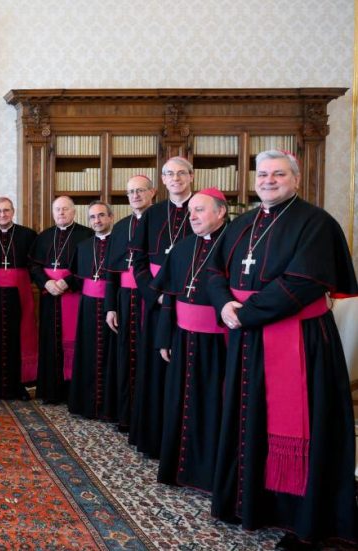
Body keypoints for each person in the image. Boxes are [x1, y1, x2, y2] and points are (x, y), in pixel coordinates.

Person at [207, 150, 358, 546]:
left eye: (278, 174)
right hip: (247, 337)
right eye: (262, 174)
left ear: (295, 178)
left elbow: (303, 283)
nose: (268, 180)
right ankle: (246, 502)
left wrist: (245, 314)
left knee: (301, 426)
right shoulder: (242, 224)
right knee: (247, 417)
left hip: (297, 341)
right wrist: (224, 304)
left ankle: (299, 517)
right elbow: (211, 271)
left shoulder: (316, 223)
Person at [150, 188, 229, 492]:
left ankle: (210, 474)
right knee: (180, 402)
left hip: (219, 343)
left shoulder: (233, 245)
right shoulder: (183, 248)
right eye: (191, 211)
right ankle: (179, 470)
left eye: (200, 210)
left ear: (221, 212)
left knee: (214, 404)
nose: (192, 217)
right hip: (183, 338)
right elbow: (169, 297)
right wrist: (164, 337)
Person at [128, 156, 195, 458]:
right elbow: (138, 260)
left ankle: (184, 442)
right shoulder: (152, 214)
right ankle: (154, 439)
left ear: (191, 177)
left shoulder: (203, 209)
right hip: (155, 302)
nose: (176, 178)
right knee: (154, 368)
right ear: (163, 181)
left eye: (181, 173)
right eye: (169, 174)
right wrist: (152, 294)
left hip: (190, 302)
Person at [104, 175, 155, 431]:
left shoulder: (161, 222)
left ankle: (146, 420)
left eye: (140, 190)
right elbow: (111, 272)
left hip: (151, 300)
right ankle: (125, 416)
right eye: (131, 191)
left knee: (149, 357)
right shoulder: (122, 227)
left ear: (152, 192)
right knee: (125, 356)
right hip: (125, 299)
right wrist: (110, 306)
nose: (135, 195)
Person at [29, 196, 92, 404]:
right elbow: (34, 266)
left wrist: (67, 282)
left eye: (65, 209)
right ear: (52, 212)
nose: (61, 213)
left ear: (74, 212)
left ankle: (72, 390)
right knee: (49, 340)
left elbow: (90, 267)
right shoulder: (44, 236)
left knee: (73, 341)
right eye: (57, 210)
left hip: (73, 296)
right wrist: (46, 283)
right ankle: (50, 392)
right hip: (49, 296)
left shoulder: (86, 235)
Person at [0, 197, 39, 400]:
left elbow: (34, 265)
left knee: (19, 337)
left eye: (6, 210)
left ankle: (18, 385)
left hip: (19, 292)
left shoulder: (28, 235)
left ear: (13, 211)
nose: (2, 215)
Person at [67, 201, 115, 419]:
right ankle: (86, 404)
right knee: (87, 352)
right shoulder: (84, 246)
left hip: (111, 305)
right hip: (87, 306)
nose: (97, 220)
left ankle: (107, 406)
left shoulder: (119, 243)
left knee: (110, 354)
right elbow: (77, 277)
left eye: (102, 216)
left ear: (111, 217)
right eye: (93, 217)